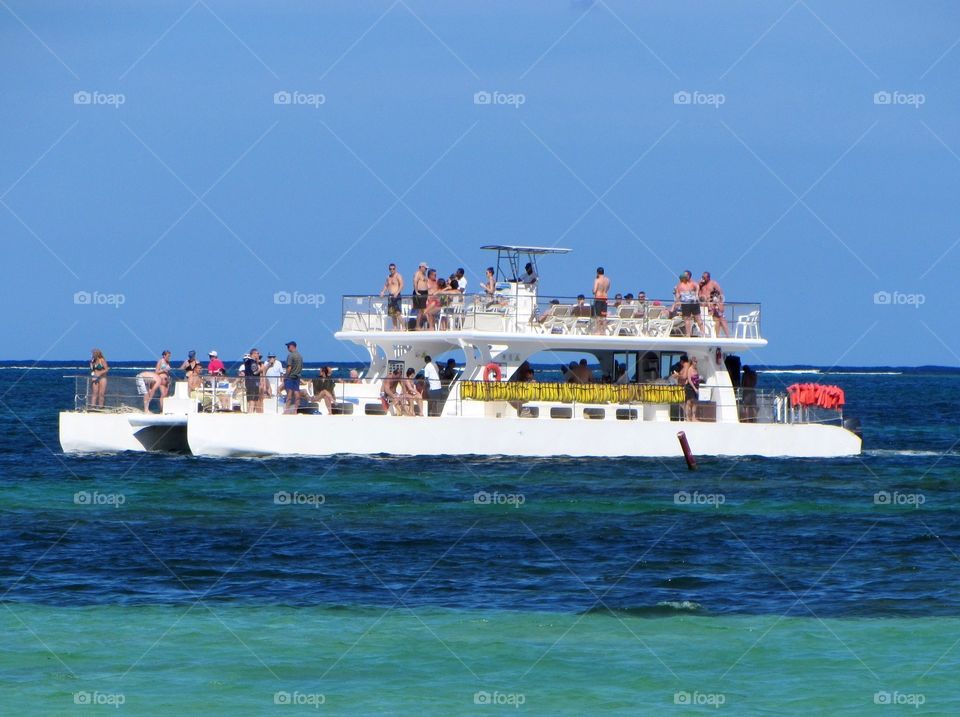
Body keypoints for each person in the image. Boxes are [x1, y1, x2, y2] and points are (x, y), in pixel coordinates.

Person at [380, 263, 404, 330]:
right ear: (389, 269)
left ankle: (404, 327)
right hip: (390, 296)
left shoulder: (398, 276)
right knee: (392, 313)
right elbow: (386, 285)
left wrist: (397, 292)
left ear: (395, 268)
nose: (392, 270)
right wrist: (383, 292)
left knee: (398, 313)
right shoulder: (388, 277)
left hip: (397, 296)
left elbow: (402, 285)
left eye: (393, 268)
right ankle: (395, 327)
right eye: (390, 269)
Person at [283, 341, 303, 414]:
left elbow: (289, 367)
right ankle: (295, 410)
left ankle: (286, 410)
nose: (287, 348)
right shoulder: (300, 356)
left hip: (291, 377)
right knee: (297, 393)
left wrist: (285, 376)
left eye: (288, 346)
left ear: (292, 346)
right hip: (297, 377)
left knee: (289, 394)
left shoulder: (291, 355)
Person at [243, 349, 263, 413]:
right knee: (252, 398)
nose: (258, 355)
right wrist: (261, 369)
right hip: (253, 382)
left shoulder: (247, 362)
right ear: (253, 354)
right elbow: (254, 372)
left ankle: (249, 411)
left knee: (249, 398)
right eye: (257, 353)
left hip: (248, 381)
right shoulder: (252, 362)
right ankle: (250, 412)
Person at [592, 267, 610, 334]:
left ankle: (598, 331)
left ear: (597, 273)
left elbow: (594, 290)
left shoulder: (597, 280)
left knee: (598, 317)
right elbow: (607, 289)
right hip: (605, 298)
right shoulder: (607, 280)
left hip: (599, 299)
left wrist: (593, 291)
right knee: (604, 316)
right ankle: (603, 331)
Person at [412, 262, 429, 329]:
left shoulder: (424, 274)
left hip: (425, 293)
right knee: (421, 310)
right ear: (421, 267)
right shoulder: (418, 273)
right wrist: (416, 291)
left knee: (423, 311)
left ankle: (422, 325)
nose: (426, 269)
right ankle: (418, 326)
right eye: (425, 268)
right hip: (419, 293)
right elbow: (415, 281)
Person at [683, 356, 700, 421]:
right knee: (689, 402)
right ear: (692, 362)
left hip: (696, 386)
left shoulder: (696, 369)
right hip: (690, 387)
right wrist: (694, 388)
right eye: (695, 362)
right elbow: (689, 380)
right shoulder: (690, 369)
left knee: (695, 402)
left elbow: (697, 378)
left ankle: (693, 416)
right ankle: (687, 417)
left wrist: (697, 387)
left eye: (696, 362)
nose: (696, 363)